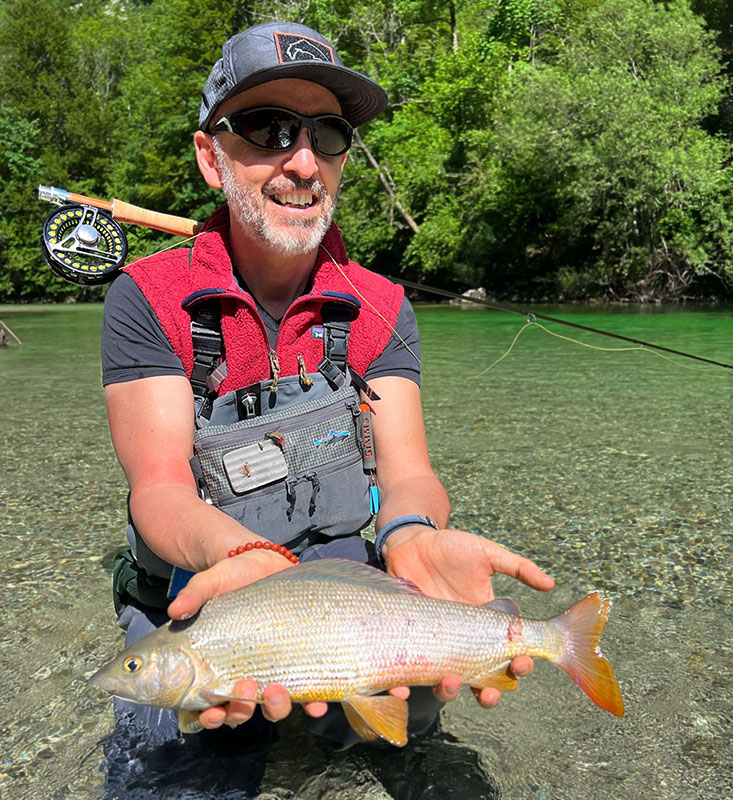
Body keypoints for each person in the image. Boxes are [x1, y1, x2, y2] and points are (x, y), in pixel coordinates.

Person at [101, 20, 555, 752]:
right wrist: (240, 560)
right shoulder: (148, 298)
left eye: (329, 134)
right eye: (268, 129)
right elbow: (158, 487)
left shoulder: (380, 304)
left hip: (337, 588)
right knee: (170, 760)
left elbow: (407, 474)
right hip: (205, 587)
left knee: (411, 718)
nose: (305, 162)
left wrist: (411, 535)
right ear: (211, 157)